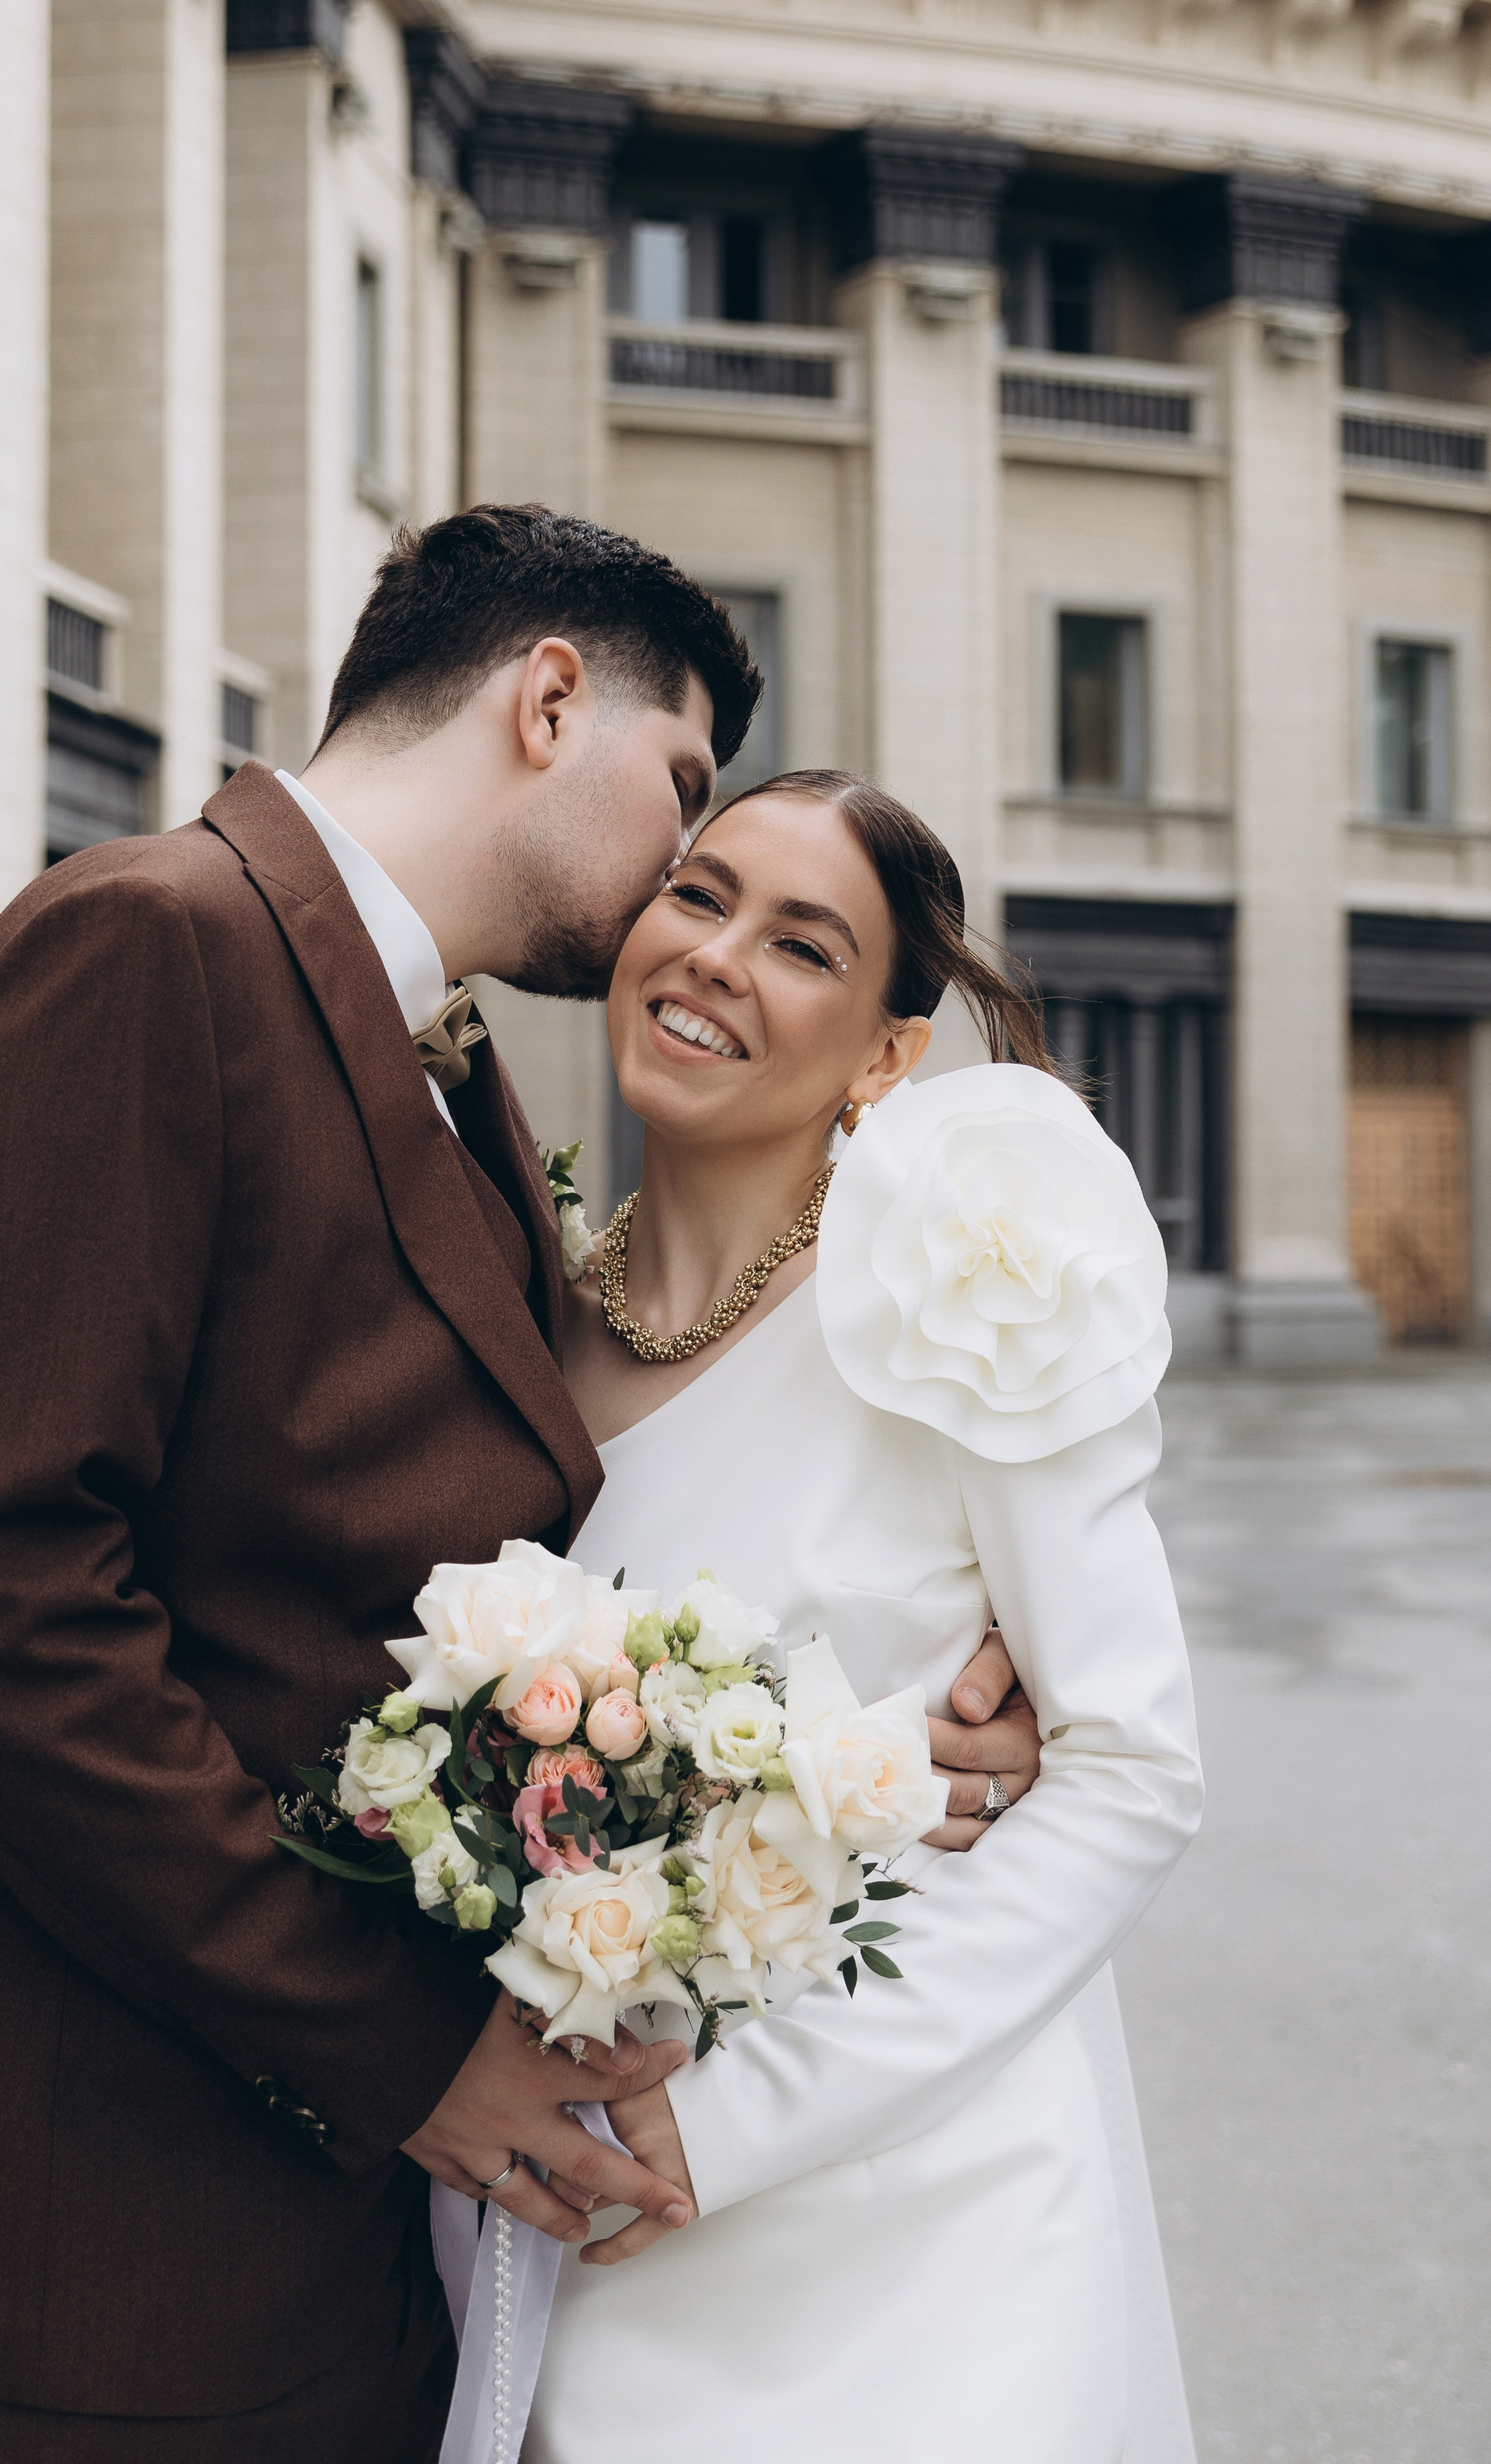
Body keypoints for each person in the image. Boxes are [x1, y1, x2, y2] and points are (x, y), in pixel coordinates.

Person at [0, 511, 1038, 2463]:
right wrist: (404, 2052)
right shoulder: (141, 941)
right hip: (46, 2226)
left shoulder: (442, 1063)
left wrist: (884, 1729)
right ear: (552, 700)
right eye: (682, 791)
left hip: (293, 2230)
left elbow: (514, 1560)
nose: (670, 889)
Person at [512, 771, 1204, 2464]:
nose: (717, 957)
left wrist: (724, 2124)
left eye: (802, 943)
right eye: (697, 894)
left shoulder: (963, 1300)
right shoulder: (512, 1325)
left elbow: (1126, 1771)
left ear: (886, 1053)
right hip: (583, 2222)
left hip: (921, 2226)